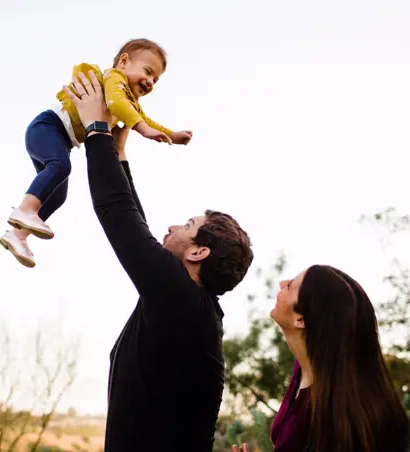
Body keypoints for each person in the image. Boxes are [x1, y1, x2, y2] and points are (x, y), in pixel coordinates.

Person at [63, 71, 254, 451]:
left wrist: (97, 129)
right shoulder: (184, 304)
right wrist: (118, 154)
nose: (172, 226)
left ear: (198, 252)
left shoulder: (182, 302)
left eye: (188, 224)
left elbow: (119, 215)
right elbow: (135, 222)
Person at [0, 38, 192, 268]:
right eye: (148, 72)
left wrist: (173, 134)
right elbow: (118, 104)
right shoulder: (114, 78)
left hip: (61, 141)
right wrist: (144, 130)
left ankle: (17, 235)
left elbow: (144, 118)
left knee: (58, 195)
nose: (150, 82)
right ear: (123, 62)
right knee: (60, 167)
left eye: (155, 80)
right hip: (48, 127)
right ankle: (25, 209)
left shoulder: (131, 100)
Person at [233, 265, 410, 452]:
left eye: (291, 286)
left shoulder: (331, 415)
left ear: (300, 319)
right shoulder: (304, 369)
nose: (282, 283)